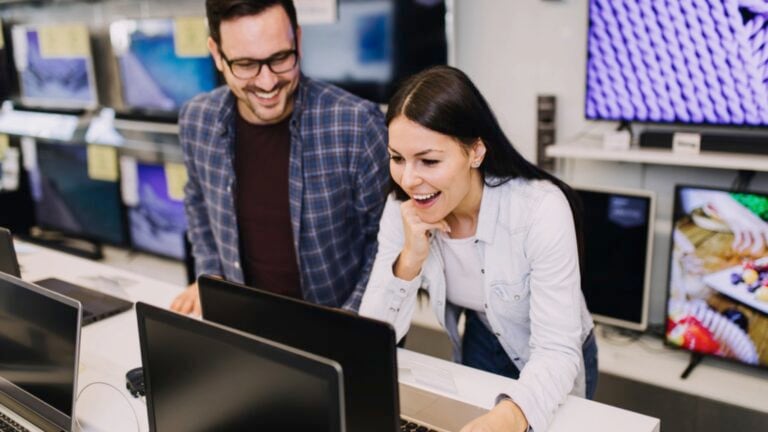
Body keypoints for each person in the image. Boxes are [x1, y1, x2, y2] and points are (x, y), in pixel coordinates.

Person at [359, 66, 597, 432]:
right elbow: (371, 337)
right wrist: (410, 258)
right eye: (397, 158)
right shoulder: (401, 210)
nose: (408, 179)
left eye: (429, 161)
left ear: (476, 151)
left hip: (556, 348)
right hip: (484, 337)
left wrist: (511, 417)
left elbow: (556, 350)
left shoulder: (540, 209)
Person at [171, 0, 389, 315]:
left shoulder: (357, 124)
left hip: (338, 324)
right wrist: (210, 275)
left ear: (297, 41)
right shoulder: (196, 119)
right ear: (217, 54)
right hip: (244, 321)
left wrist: (353, 318)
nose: (267, 82)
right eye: (245, 64)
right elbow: (198, 201)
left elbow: (388, 242)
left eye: (280, 58)